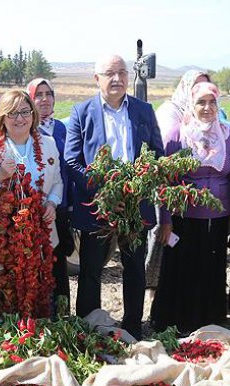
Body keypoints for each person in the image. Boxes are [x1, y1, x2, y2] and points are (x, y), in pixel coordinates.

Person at [64, 54, 165, 338]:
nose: (117, 78)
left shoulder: (144, 111)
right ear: (97, 79)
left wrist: (137, 189)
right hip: (96, 206)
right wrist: (105, 194)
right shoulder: (82, 112)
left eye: (122, 72)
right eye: (110, 73)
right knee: (91, 270)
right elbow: (72, 160)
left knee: (134, 268)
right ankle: (90, 328)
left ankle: (132, 327)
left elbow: (157, 154)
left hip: (135, 205)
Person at [151, 82, 230, 333]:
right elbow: (164, 181)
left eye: (212, 102)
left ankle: (210, 319)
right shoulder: (178, 135)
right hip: (184, 216)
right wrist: (165, 219)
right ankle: (179, 320)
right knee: (184, 266)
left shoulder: (227, 135)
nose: (207, 108)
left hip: (218, 216)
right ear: (191, 104)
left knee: (212, 266)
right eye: (201, 102)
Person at [0, 90, 63, 314]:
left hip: (41, 237)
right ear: (2, 118)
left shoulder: (48, 143)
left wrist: (52, 204)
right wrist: (0, 177)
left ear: (33, 115)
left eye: (25, 112)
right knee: (6, 299)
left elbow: (57, 183)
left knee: (40, 295)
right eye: (12, 113)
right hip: (5, 242)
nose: (19, 118)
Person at [146, 69, 210, 289]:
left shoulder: (207, 112)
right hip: (168, 193)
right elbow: (164, 158)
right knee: (163, 244)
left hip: (195, 201)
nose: (200, 91)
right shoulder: (170, 113)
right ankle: (155, 292)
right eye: (196, 87)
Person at [27, 78, 73, 308]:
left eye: (49, 94)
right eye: (38, 95)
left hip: (60, 204)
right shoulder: (26, 128)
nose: (44, 99)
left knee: (59, 259)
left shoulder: (61, 128)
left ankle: (62, 311)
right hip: (37, 207)